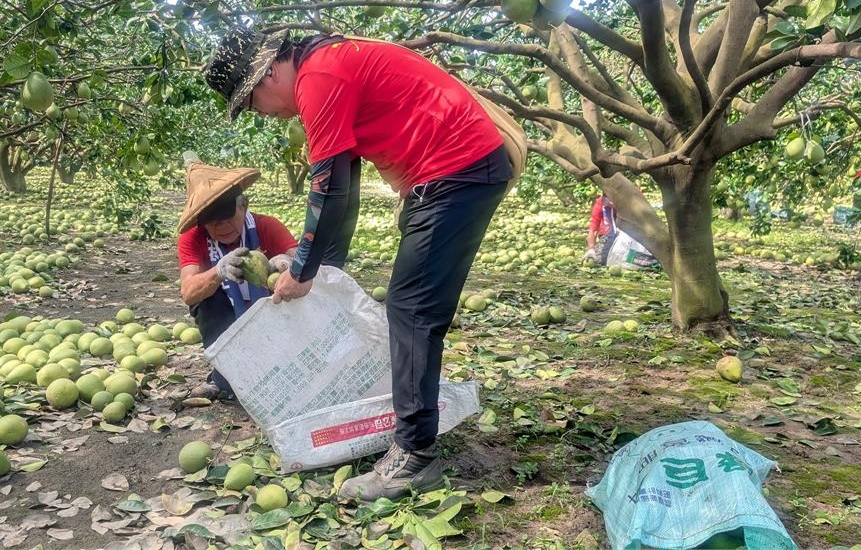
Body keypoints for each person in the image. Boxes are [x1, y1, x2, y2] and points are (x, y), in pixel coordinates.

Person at [205, 28, 512, 501]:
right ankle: (413, 439)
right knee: (411, 307)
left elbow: (328, 188)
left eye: (252, 103)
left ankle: (413, 456)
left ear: (267, 73)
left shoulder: (319, 76)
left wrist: (304, 269)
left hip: (458, 169)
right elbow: (343, 178)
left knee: (411, 310)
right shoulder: (326, 67)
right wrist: (321, 271)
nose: (262, 114)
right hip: (453, 173)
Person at [177, 159, 297, 400]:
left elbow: (304, 268)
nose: (221, 226)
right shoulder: (193, 238)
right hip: (228, 315)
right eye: (211, 221)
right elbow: (188, 292)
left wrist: (285, 265)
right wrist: (218, 271)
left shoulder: (267, 226)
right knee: (204, 301)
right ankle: (226, 379)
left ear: (244, 205)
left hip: (271, 312)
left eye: (227, 216)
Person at [585, 192, 617, 265]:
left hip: (627, 234)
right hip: (608, 234)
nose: (610, 203)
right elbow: (593, 228)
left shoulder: (627, 201)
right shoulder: (600, 204)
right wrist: (591, 249)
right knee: (601, 260)